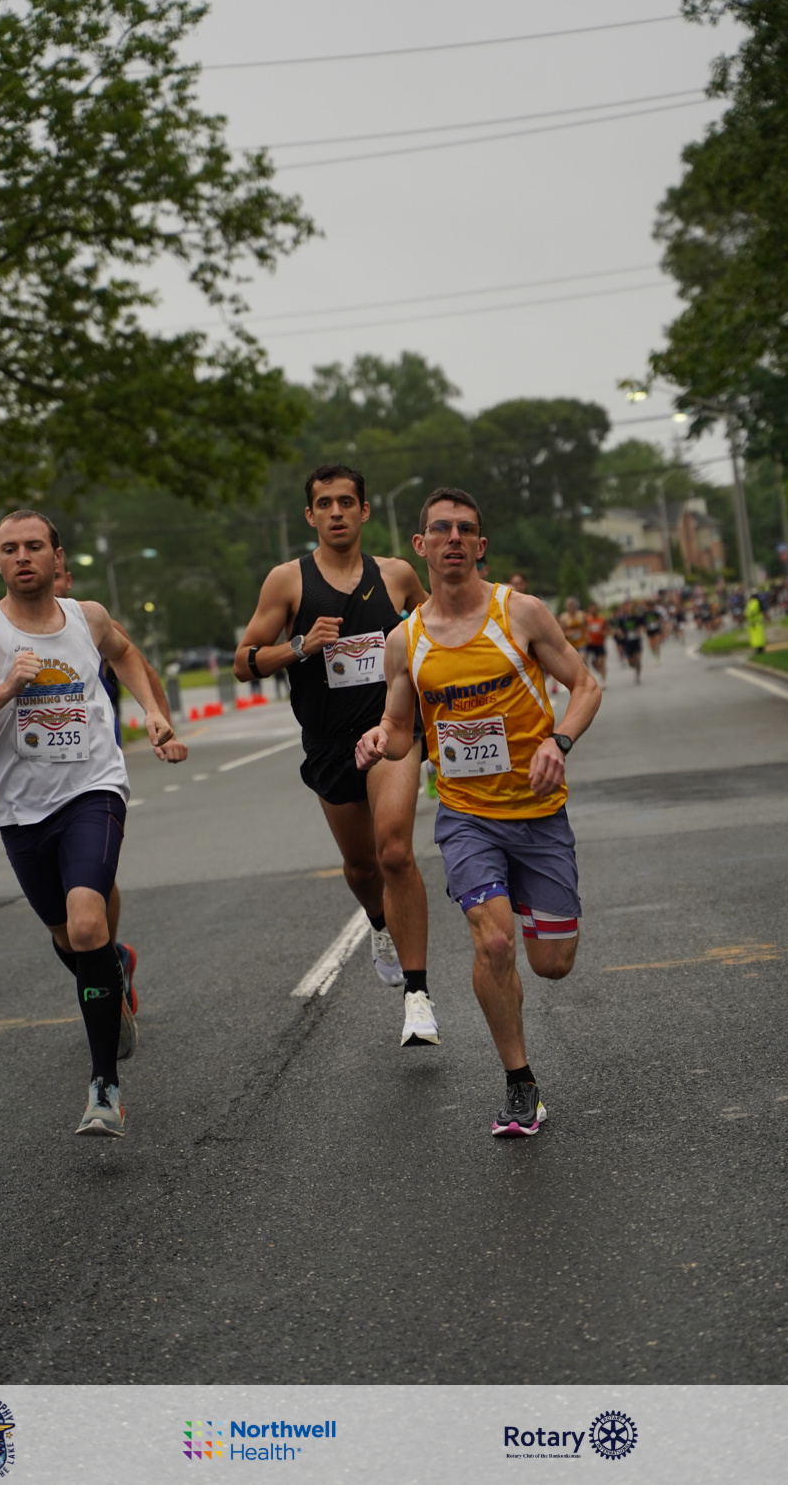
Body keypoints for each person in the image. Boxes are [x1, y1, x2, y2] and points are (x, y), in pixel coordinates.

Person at [0, 509, 187, 1139]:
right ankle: (113, 972)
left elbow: (126, 654)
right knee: (71, 940)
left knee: (88, 921)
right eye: (9, 548)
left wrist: (154, 712)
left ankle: (104, 1089)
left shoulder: (87, 617)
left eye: (33, 546)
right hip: (21, 809)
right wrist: (4, 690)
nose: (22, 556)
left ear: (56, 557)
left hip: (93, 789)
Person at [356, 488, 601, 1137]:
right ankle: (520, 1083)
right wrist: (379, 739)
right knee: (493, 941)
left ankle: (531, 907)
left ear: (481, 546)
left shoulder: (521, 614)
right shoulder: (406, 641)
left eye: (466, 529)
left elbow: (585, 686)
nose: (454, 539)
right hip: (467, 817)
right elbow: (400, 730)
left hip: (538, 813)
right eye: (441, 529)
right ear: (421, 545)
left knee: (552, 963)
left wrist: (559, 741)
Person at [234, 464, 436, 1047]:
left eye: (347, 502)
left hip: (391, 732)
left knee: (394, 851)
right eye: (324, 504)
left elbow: (437, 630)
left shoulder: (396, 575)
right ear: (310, 516)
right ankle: (378, 921)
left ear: (364, 511)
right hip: (328, 744)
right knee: (363, 867)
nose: (337, 512)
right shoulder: (287, 582)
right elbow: (244, 661)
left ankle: (418, 996)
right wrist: (299, 646)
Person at [53, 548, 174, 1023]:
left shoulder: (91, 622)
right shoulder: (8, 628)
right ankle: (112, 958)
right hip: (39, 778)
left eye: (58, 578)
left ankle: (106, 953)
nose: (51, 587)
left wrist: (161, 721)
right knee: (62, 914)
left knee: (93, 880)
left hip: (95, 769)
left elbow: (139, 666)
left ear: (66, 579)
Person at [557, 597, 589, 663]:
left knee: (582, 659)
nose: (572, 607)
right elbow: (560, 631)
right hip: (571, 644)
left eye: (573, 605)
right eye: (570, 605)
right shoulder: (563, 617)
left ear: (576, 605)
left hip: (581, 642)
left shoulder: (581, 614)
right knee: (575, 662)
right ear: (566, 606)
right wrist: (567, 634)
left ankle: (584, 666)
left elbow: (587, 626)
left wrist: (587, 635)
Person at [584, 602, 608, 686]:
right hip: (591, 644)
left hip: (600, 643)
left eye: (595, 609)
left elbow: (607, 629)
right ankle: (599, 673)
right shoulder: (587, 619)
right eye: (592, 609)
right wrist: (587, 637)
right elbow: (584, 629)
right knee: (593, 662)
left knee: (602, 661)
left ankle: (603, 680)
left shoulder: (601, 619)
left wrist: (604, 634)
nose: (593, 610)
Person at [746, 589, 767, 654]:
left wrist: (747, 614)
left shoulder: (753, 602)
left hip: (754, 623)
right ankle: (760, 649)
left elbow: (750, 612)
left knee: (757, 638)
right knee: (760, 637)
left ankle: (759, 650)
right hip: (757, 623)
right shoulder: (757, 602)